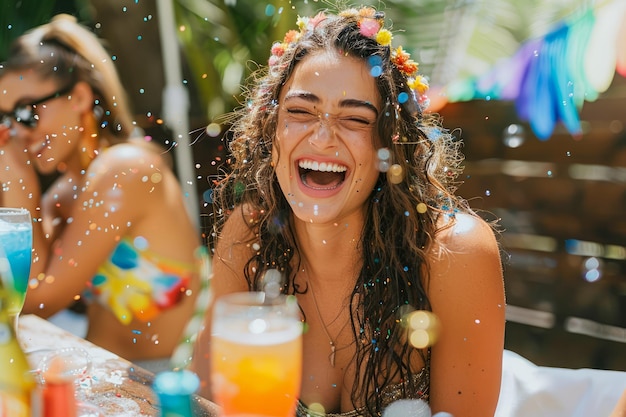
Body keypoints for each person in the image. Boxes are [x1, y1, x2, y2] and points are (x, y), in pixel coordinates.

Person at [192, 5, 505, 417]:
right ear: (272, 134)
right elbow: (205, 402)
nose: (322, 138)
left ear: (390, 147)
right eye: (300, 112)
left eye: (355, 118)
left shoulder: (454, 254)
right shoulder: (248, 235)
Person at [0, 14, 203, 369]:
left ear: (78, 97)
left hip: (163, 382)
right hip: (106, 376)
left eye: (26, 113)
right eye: (6, 121)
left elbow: (33, 300)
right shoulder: (65, 193)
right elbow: (18, 283)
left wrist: (16, 176)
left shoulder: (125, 170)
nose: (18, 133)